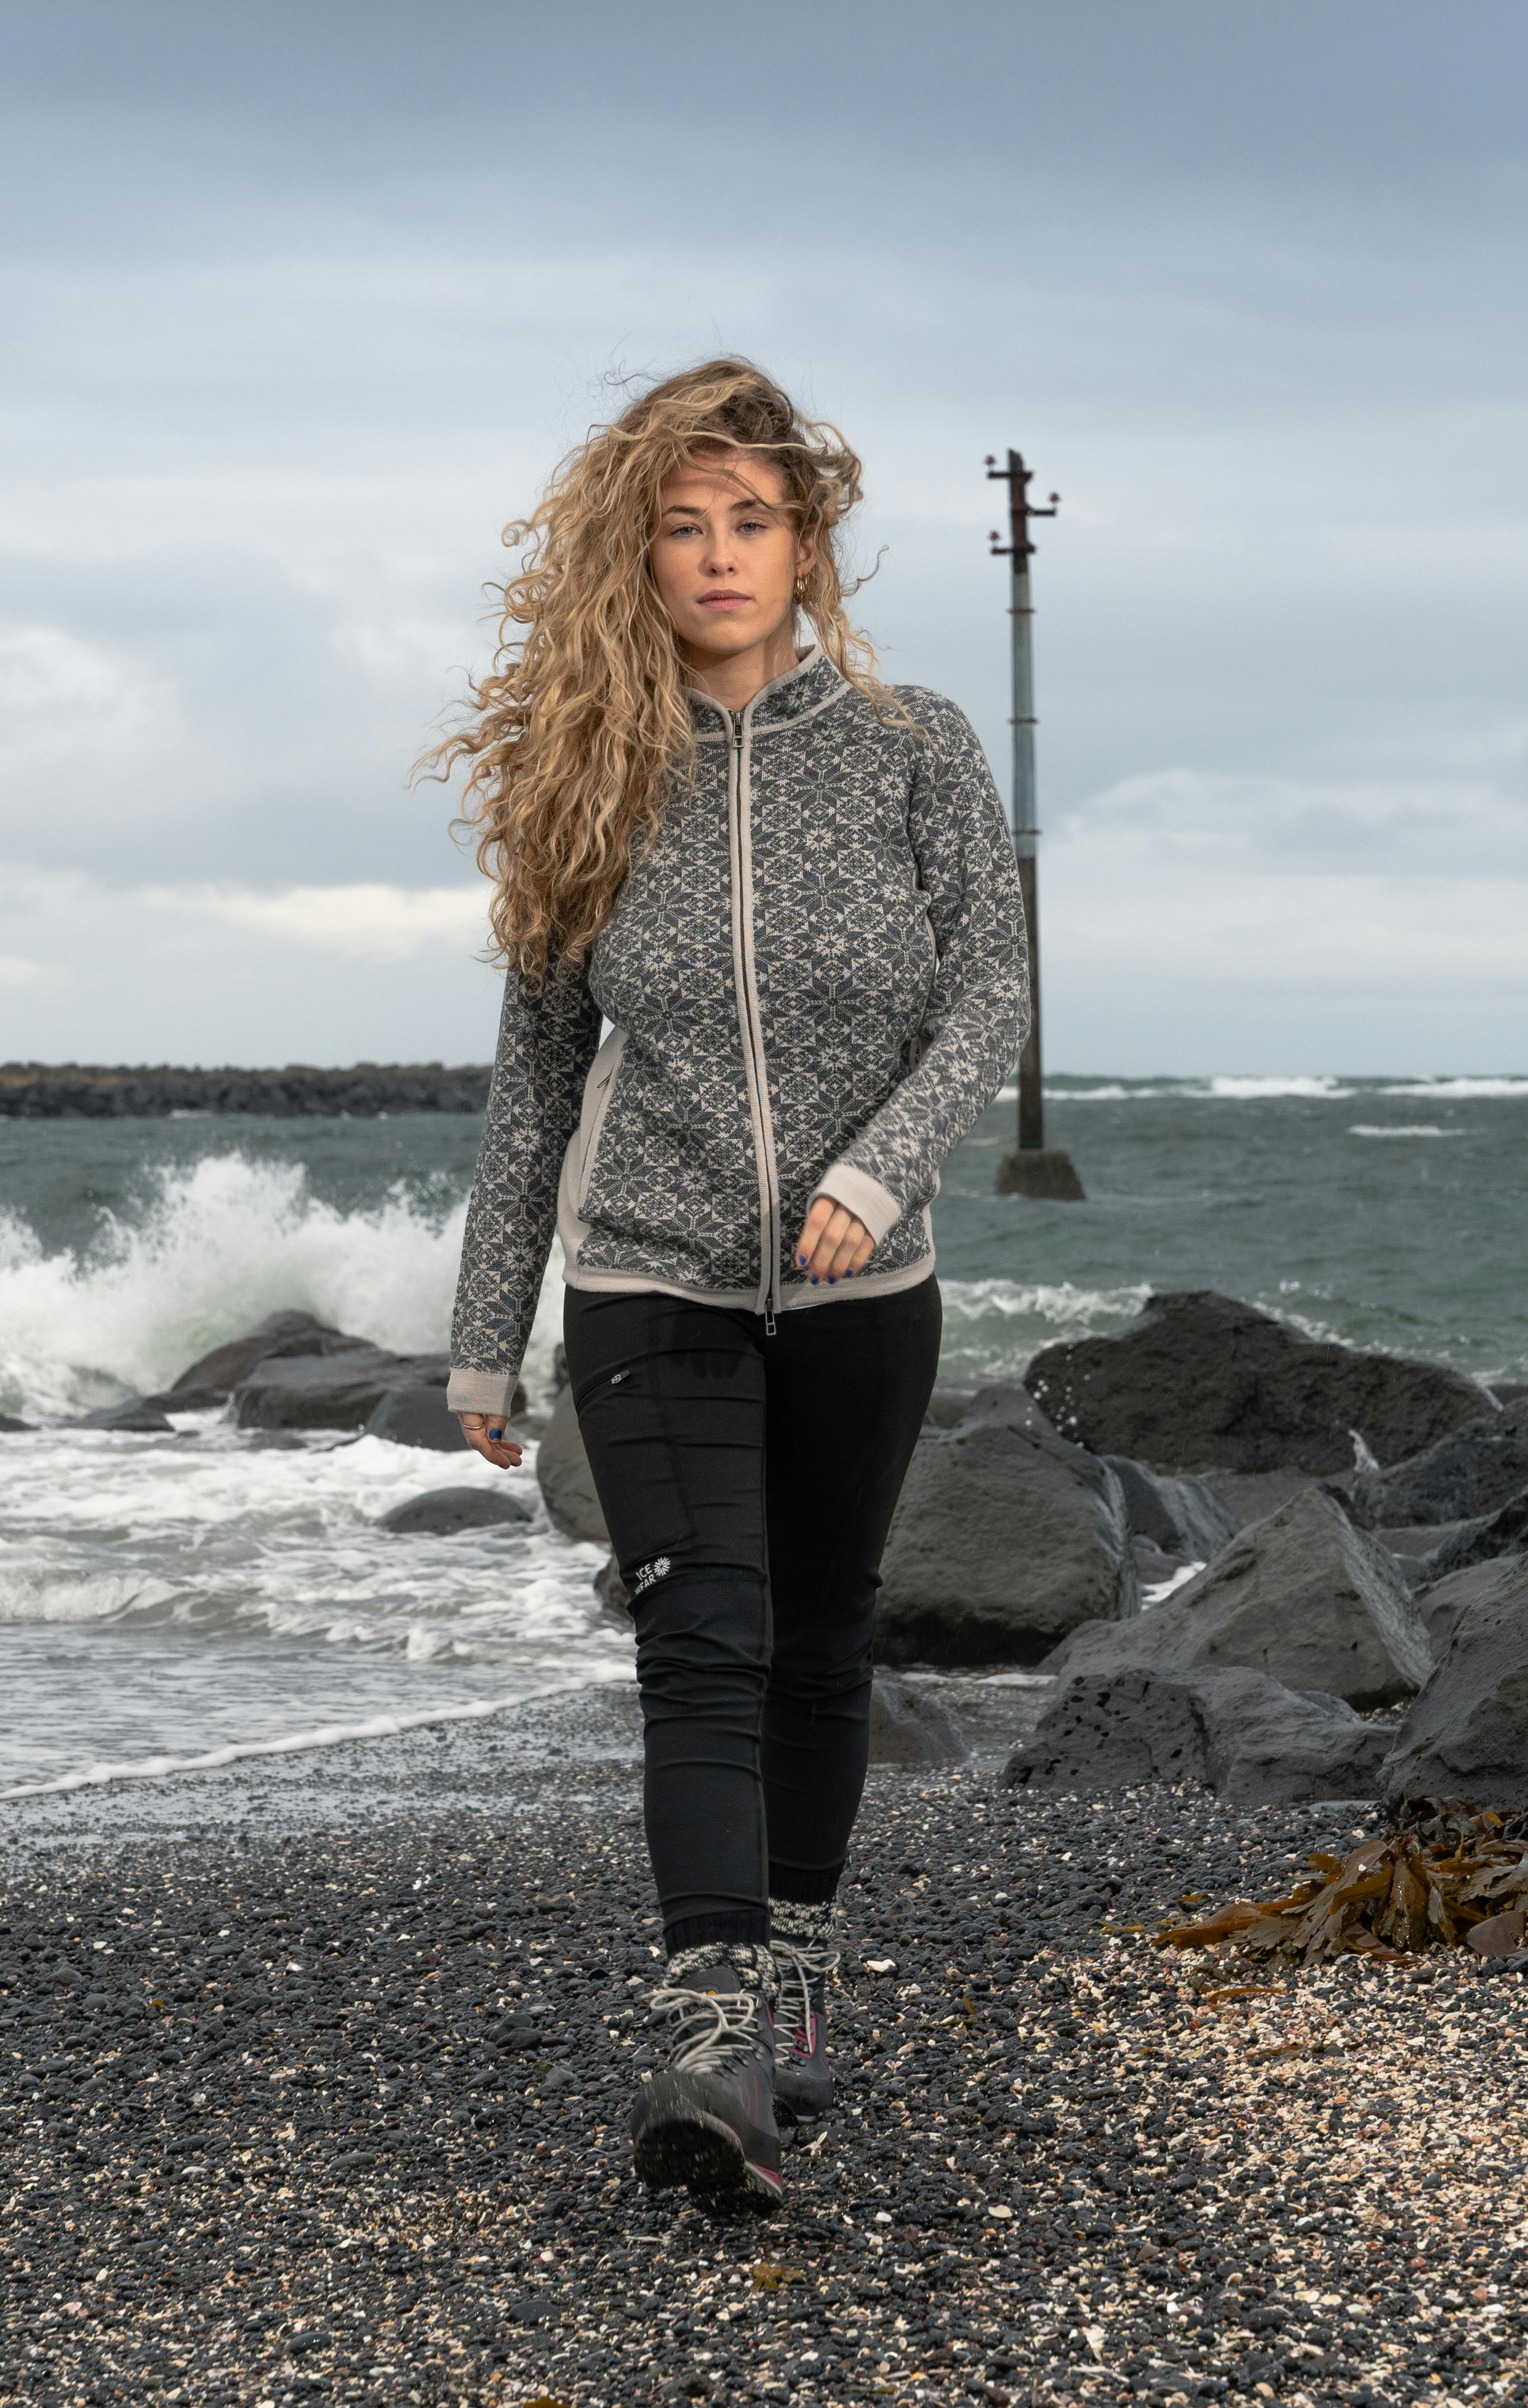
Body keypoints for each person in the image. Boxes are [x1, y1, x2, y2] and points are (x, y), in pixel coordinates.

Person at [433, 359, 1030, 2212]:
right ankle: (705, 2021)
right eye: (681, 527)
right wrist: (485, 1325)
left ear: (805, 541)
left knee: (820, 1638)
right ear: (638, 554)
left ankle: (789, 1987)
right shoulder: (585, 775)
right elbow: (536, 1074)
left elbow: (992, 994)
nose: (715, 557)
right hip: (651, 1274)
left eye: (748, 521)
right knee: (699, 1630)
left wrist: (873, 1170)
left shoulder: (915, 744)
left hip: (867, 1286)